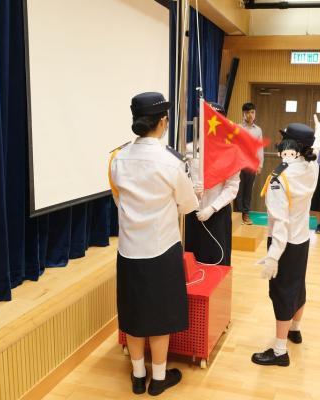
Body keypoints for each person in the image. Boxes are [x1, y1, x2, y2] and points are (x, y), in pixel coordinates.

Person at [108, 92, 199, 395]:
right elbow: (188, 205)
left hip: (128, 250)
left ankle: (137, 376)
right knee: (160, 315)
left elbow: (118, 199)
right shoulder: (171, 161)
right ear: (162, 122)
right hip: (162, 249)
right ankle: (158, 379)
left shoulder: (118, 158)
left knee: (133, 314)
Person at [251, 116, 320, 367]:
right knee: (297, 286)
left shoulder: (280, 178)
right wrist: (319, 134)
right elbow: (316, 148)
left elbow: (280, 223)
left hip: (284, 243)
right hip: (302, 239)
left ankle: (279, 351)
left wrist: (273, 256)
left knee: (282, 293)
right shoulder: (311, 166)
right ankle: (295, 330)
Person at [185, 103, 240, 266]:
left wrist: (212, 208)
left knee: (217, 261)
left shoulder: (230, 152)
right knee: (191, 261)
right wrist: (190, 189)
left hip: (217, 213)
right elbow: (182, 176)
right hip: (192, 212)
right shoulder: (189, 149)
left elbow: (232, 186)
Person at [235, 102, 264, 225]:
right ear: (243, 114)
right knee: (238, 189)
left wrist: (260, 165)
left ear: (255, 113)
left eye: (252, 112)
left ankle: (245, 214)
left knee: (248, 190)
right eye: (247, 112)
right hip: (238, 164)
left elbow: (260, 148)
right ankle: (237, 214)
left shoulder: (258, 130)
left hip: (251, 164)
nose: (250, 115)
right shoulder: (237, 127)